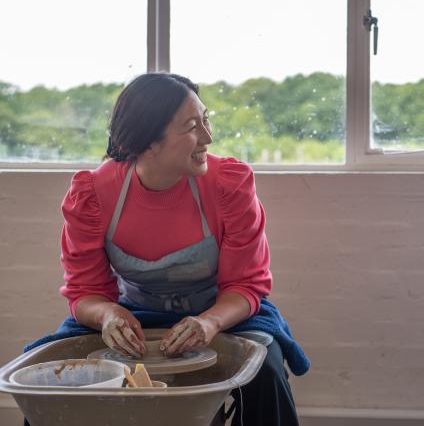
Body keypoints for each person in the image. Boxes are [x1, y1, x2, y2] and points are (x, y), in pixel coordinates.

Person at [25, 73, 308, 426]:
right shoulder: (93, 195)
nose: (208, 137)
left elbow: (246, 286)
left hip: (222, 313)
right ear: (148, 143)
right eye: (192, 127)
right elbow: (85, 292)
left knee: (264, 368)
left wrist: (209, 322)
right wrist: (109, 315)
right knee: (50, 378)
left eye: (206, 119)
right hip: (135, 315)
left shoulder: (228, 186)